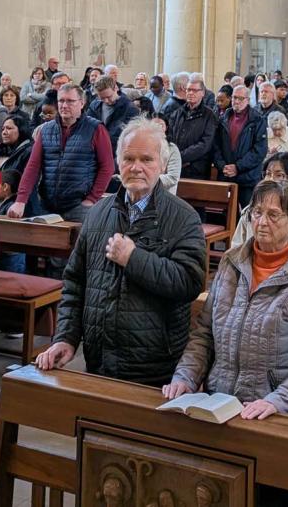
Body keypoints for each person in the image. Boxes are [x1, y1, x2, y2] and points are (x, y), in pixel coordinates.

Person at [35, 119, 207, 384]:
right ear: (118, 163)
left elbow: (189, 282)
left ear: (162, 165)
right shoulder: (97, 214)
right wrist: (66, 337)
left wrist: (134, 259)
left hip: (154, 366)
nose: (136, 167)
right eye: (128, 159)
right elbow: (75, 283)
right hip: (99, 361)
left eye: (146, 159)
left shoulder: (183, 217)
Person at [164, 178, 288, 421]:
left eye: (273, 215)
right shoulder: (231, 262)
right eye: (257, 212)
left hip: (278, 412)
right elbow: (204, 334)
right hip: (219, 403)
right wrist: (186, 377)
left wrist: (278, 401)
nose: (262, 222)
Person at [12, 85, 113, 226]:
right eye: (61, 101)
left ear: (82, 103)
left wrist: (91, 199)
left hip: (80, 206)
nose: (64, 105)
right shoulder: (46, 130)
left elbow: (107, 167)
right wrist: (20, 200)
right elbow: (33, 167)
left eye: (70, 101)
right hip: (47, 206)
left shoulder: (96, 129)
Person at [229, 152, 288, 260]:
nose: (271, 180)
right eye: (268, 174)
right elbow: (235, 254)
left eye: (279, 175)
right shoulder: (250, 212)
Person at [215, 85, 267, 208]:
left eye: (240, 98)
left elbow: (259, 150)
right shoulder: (224, 118)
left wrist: (238, 167)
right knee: (224, 214)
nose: (236, 101)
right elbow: (216, 146)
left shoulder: (257, 120)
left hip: (247, 178)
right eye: (234, 98)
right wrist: (222, 165)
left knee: (247, 213)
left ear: (248, 100)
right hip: (226, 175)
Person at [163, 73, 221, 178]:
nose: (190, 93)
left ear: (202, 93)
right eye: (188, 90)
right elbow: (169, 136)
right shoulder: (178, 113)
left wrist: (181, 157)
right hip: (176, 168)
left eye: (194, 90)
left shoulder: (209, 116)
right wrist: (175, 157)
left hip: (197, 169)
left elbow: (205, 144)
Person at [87, 74, 141, 156]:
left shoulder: (130, 109)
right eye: (102, 98)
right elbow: (88, 127)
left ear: (116, 88)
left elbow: (132, 136)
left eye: (109, 97)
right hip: (95, 153)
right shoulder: (94, 106)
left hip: (117, 154)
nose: (106, 101)